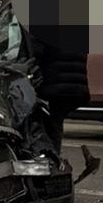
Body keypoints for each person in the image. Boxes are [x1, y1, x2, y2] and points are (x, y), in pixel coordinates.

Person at [23, 24, 89, 159]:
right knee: (55, 124)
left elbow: (35, 51)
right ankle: (53, 160)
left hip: (53, 82)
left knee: (44, 125)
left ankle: (50, 163)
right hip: (73, 82)